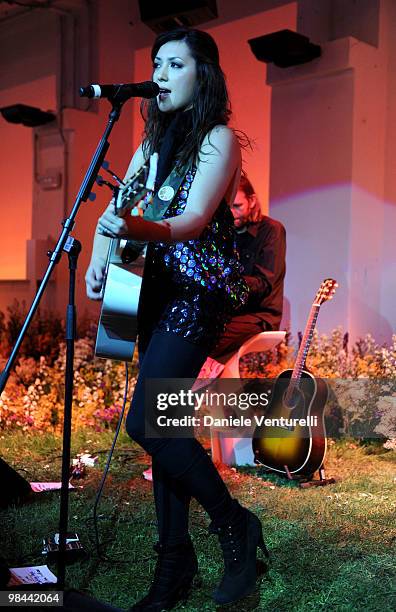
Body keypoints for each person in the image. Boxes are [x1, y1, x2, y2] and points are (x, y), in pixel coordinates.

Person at [85, 27, 268, 611]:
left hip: (196, 297)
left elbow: (189, 220)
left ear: (202, 74)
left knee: (145, 423)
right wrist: (97, 254)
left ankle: (234, 522)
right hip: (154, 295)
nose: (159, 74)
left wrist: (131, 229)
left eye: (174, 64)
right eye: (156, 63)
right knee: (165, 429)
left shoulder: (218, 139)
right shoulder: (151, 141)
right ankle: (172, 566)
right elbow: (117, 206)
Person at [210, 173, 286, 361]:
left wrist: (224, 282)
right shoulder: (226, 232)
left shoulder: (271, 230)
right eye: (228, 208)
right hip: (232, 313)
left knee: (209, 338)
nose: (232, 213)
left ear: (252, 201)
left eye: (237, 206)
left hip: (259, 315)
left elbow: (264, 283)